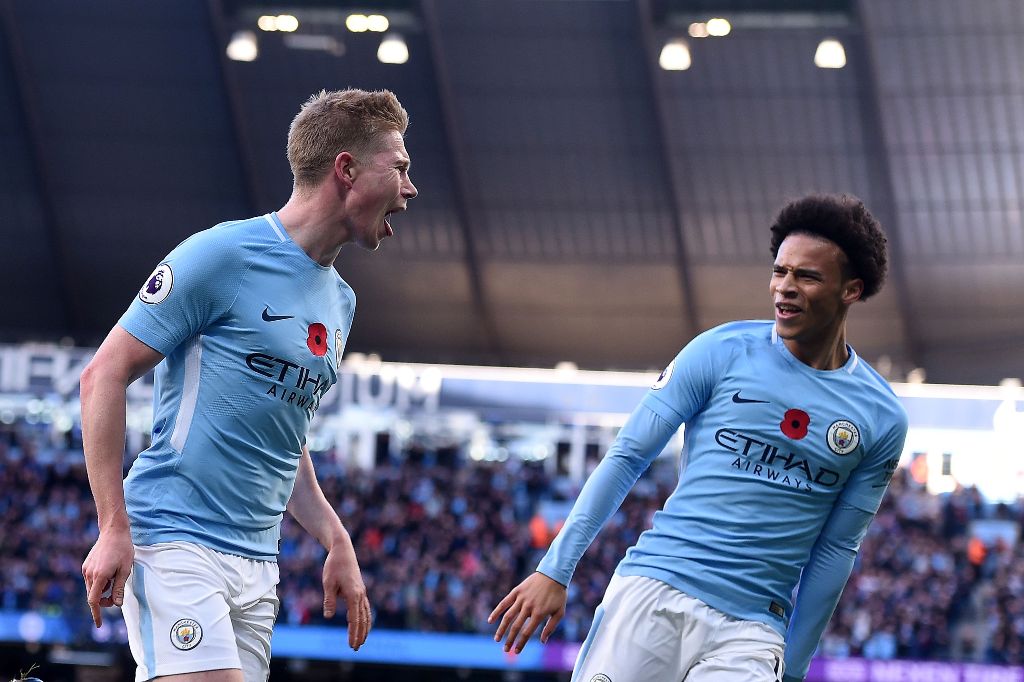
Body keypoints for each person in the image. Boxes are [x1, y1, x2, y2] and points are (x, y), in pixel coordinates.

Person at [490, 194, 909, 682]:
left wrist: (793, 670)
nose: (785, 288)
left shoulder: (881, 418)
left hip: (752, 631)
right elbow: (628, 456)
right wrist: (555, 570)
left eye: (807, 276)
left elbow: (837, 548)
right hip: (655, 592)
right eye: (780, 271)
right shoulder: (720, 351)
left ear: (851, 290)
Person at [80, 88, 418, 682]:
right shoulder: (222, 254)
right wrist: (113, 526)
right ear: (346, 169)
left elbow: (285, 434)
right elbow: (102, 375)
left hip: (259, 566)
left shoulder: (341, 302)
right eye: (400, 168)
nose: (410, 189)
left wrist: (335, 537)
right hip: (174, 540)